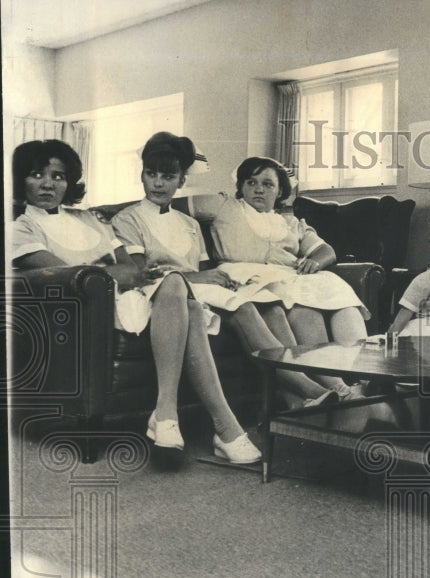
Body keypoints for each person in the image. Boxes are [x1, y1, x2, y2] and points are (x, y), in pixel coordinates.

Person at [11, 139, 261, 464]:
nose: (48, 184)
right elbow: (66, 274)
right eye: (36, 175)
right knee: (175, 285)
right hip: (88, 309)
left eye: (58, 176)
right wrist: (116, 272)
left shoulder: (90, 219)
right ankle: (214, 426)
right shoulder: (20, 228)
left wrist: (118, 272)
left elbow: (129, 268)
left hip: (129, 294)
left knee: (189, 303)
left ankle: (177, 417)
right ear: (20, 180)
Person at [112, 133, 337, 407]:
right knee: (243, 308)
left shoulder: (190, 224)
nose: (158, 183)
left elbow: (207, 270)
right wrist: (204, 278)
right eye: (151, 174)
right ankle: (310, 389)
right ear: (142, 176)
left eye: (168, 177)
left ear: (181, 180)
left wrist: (222, 280)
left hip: (200, 291)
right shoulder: (127, 219)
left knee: (273, 309)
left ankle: (294, 400)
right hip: (163, 294)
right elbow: (140, 274)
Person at [190, 156, 370, 399]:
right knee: (305, 311)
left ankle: (365, 378)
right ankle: (335, 387)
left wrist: (315, 261)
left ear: (280, 191)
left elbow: (325, 250)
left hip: (291, 277)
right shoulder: (224, 206)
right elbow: (172, 203)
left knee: (344, 303)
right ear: (241, 187)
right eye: (251, 183)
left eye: (267, 184)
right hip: (247, 276)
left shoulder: (290, 222)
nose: (258, 189)